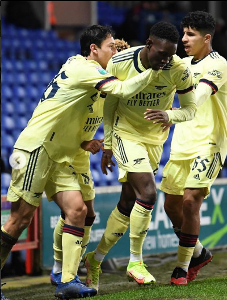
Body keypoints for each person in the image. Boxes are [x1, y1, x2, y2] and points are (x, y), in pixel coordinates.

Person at [0, 25, 161, 300]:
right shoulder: (84, 68)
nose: (114, 51)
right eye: (110, 46)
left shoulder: (93, 77)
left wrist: (86, 142)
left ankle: (67, 280)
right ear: (93, 49)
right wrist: (154, 69)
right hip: (37, 148)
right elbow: (122, 89)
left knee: (78, 211)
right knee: (19, 219)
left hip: (62, 153)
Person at [83, 21, 197, 292]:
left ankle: (95, 259)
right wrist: (109, 144)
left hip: (155, 140)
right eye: (161, 54)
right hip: (126, 133)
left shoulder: (179, 69)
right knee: (147, 193)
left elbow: (191, 110)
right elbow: (110, 104)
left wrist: (170, 115)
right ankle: (135, 261)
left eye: (171, 54)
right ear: (148, 45)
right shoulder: (121, 62)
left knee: (128, 201)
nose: (166, 59)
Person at [150, 11, 227, 285]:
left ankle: (182, 268)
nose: (184, 38)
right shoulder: (179, 63)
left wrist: (170, 115)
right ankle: (198, 253)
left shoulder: (219, 65)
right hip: (182, 143)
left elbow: (197, 97)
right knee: (171, 206)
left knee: (189, 202)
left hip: (209, 142)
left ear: (206, 38)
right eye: (183, 33)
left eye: (190, 34)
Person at [49, 39, 131, 287]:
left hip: (81, 155)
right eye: (115, 54)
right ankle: (59, 268)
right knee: (73, 211)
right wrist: (85, 142)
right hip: (61, 150)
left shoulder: (110, 88)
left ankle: (70, 269)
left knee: (89, 214)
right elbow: (61, 118)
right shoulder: (87, 76)